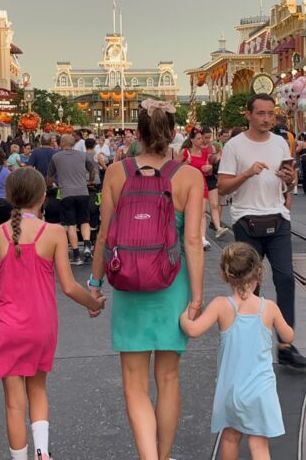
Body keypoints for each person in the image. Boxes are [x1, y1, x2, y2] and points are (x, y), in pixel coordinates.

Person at [88, 99, 205, 460]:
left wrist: (94, 286)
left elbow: (105, 235)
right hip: (173, 286)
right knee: (168, 379)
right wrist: (196, 298)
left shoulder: (117, 173)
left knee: (135, 385)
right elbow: (192, 242)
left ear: (136, 134)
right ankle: (164, 455)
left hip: (128, 285)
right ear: (173, 134)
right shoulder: (189, 177)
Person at [0, 167, 105, 460]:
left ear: (9, 197)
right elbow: (70, 287)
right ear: (43, 197)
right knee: (38, 390)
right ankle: (41, 451)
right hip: (41, 327)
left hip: (6, 327)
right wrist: (94, 304)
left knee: (13, 403)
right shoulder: (55, 233)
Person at [217, 93, 306, 369]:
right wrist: (246, 174)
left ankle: (285, 344)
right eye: (261, 113)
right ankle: (252, 344)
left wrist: (290, 180)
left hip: (278, 217)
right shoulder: (235, 146)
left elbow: (290, 185)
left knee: (285, 279)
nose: (267, 119)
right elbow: (222, 187)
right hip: (247, 219)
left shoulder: (281, 143)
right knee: (250, 286)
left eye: (271, 113)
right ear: (248, 115)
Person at [180, 243, 291, 460]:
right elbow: (288, 336)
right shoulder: (268, 308)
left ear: (224, 275)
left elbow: (193, 330)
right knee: (259, 445)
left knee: (230, 437)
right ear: (259, 272)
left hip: (232, 392)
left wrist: (184, 316)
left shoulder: (222, 305)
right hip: (261, 391)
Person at [46, 134, 97, 265]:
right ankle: (86, 246)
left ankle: (76, 255)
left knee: (71, 225)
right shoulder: (82, 155)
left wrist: (52, 185)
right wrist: (90, 180)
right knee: (85, 221)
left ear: (61, 144)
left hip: (66, 193)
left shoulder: (56, 157)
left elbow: (49, 176)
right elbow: (93, 169)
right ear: (74, 144)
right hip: (82, 192)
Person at [181, 127, 228, 249]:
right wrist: (186, 164)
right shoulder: (185, 152)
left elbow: (208, 167)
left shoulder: (205, 152)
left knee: (202, 212)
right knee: (189, 212)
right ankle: (189, 235)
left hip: (202, 184)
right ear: (191, 140)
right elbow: (176, 169)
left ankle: (202, 238)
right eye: (198, 138)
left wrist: (210, 168)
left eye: (202, 138)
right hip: (188, 186)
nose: (201, 141)